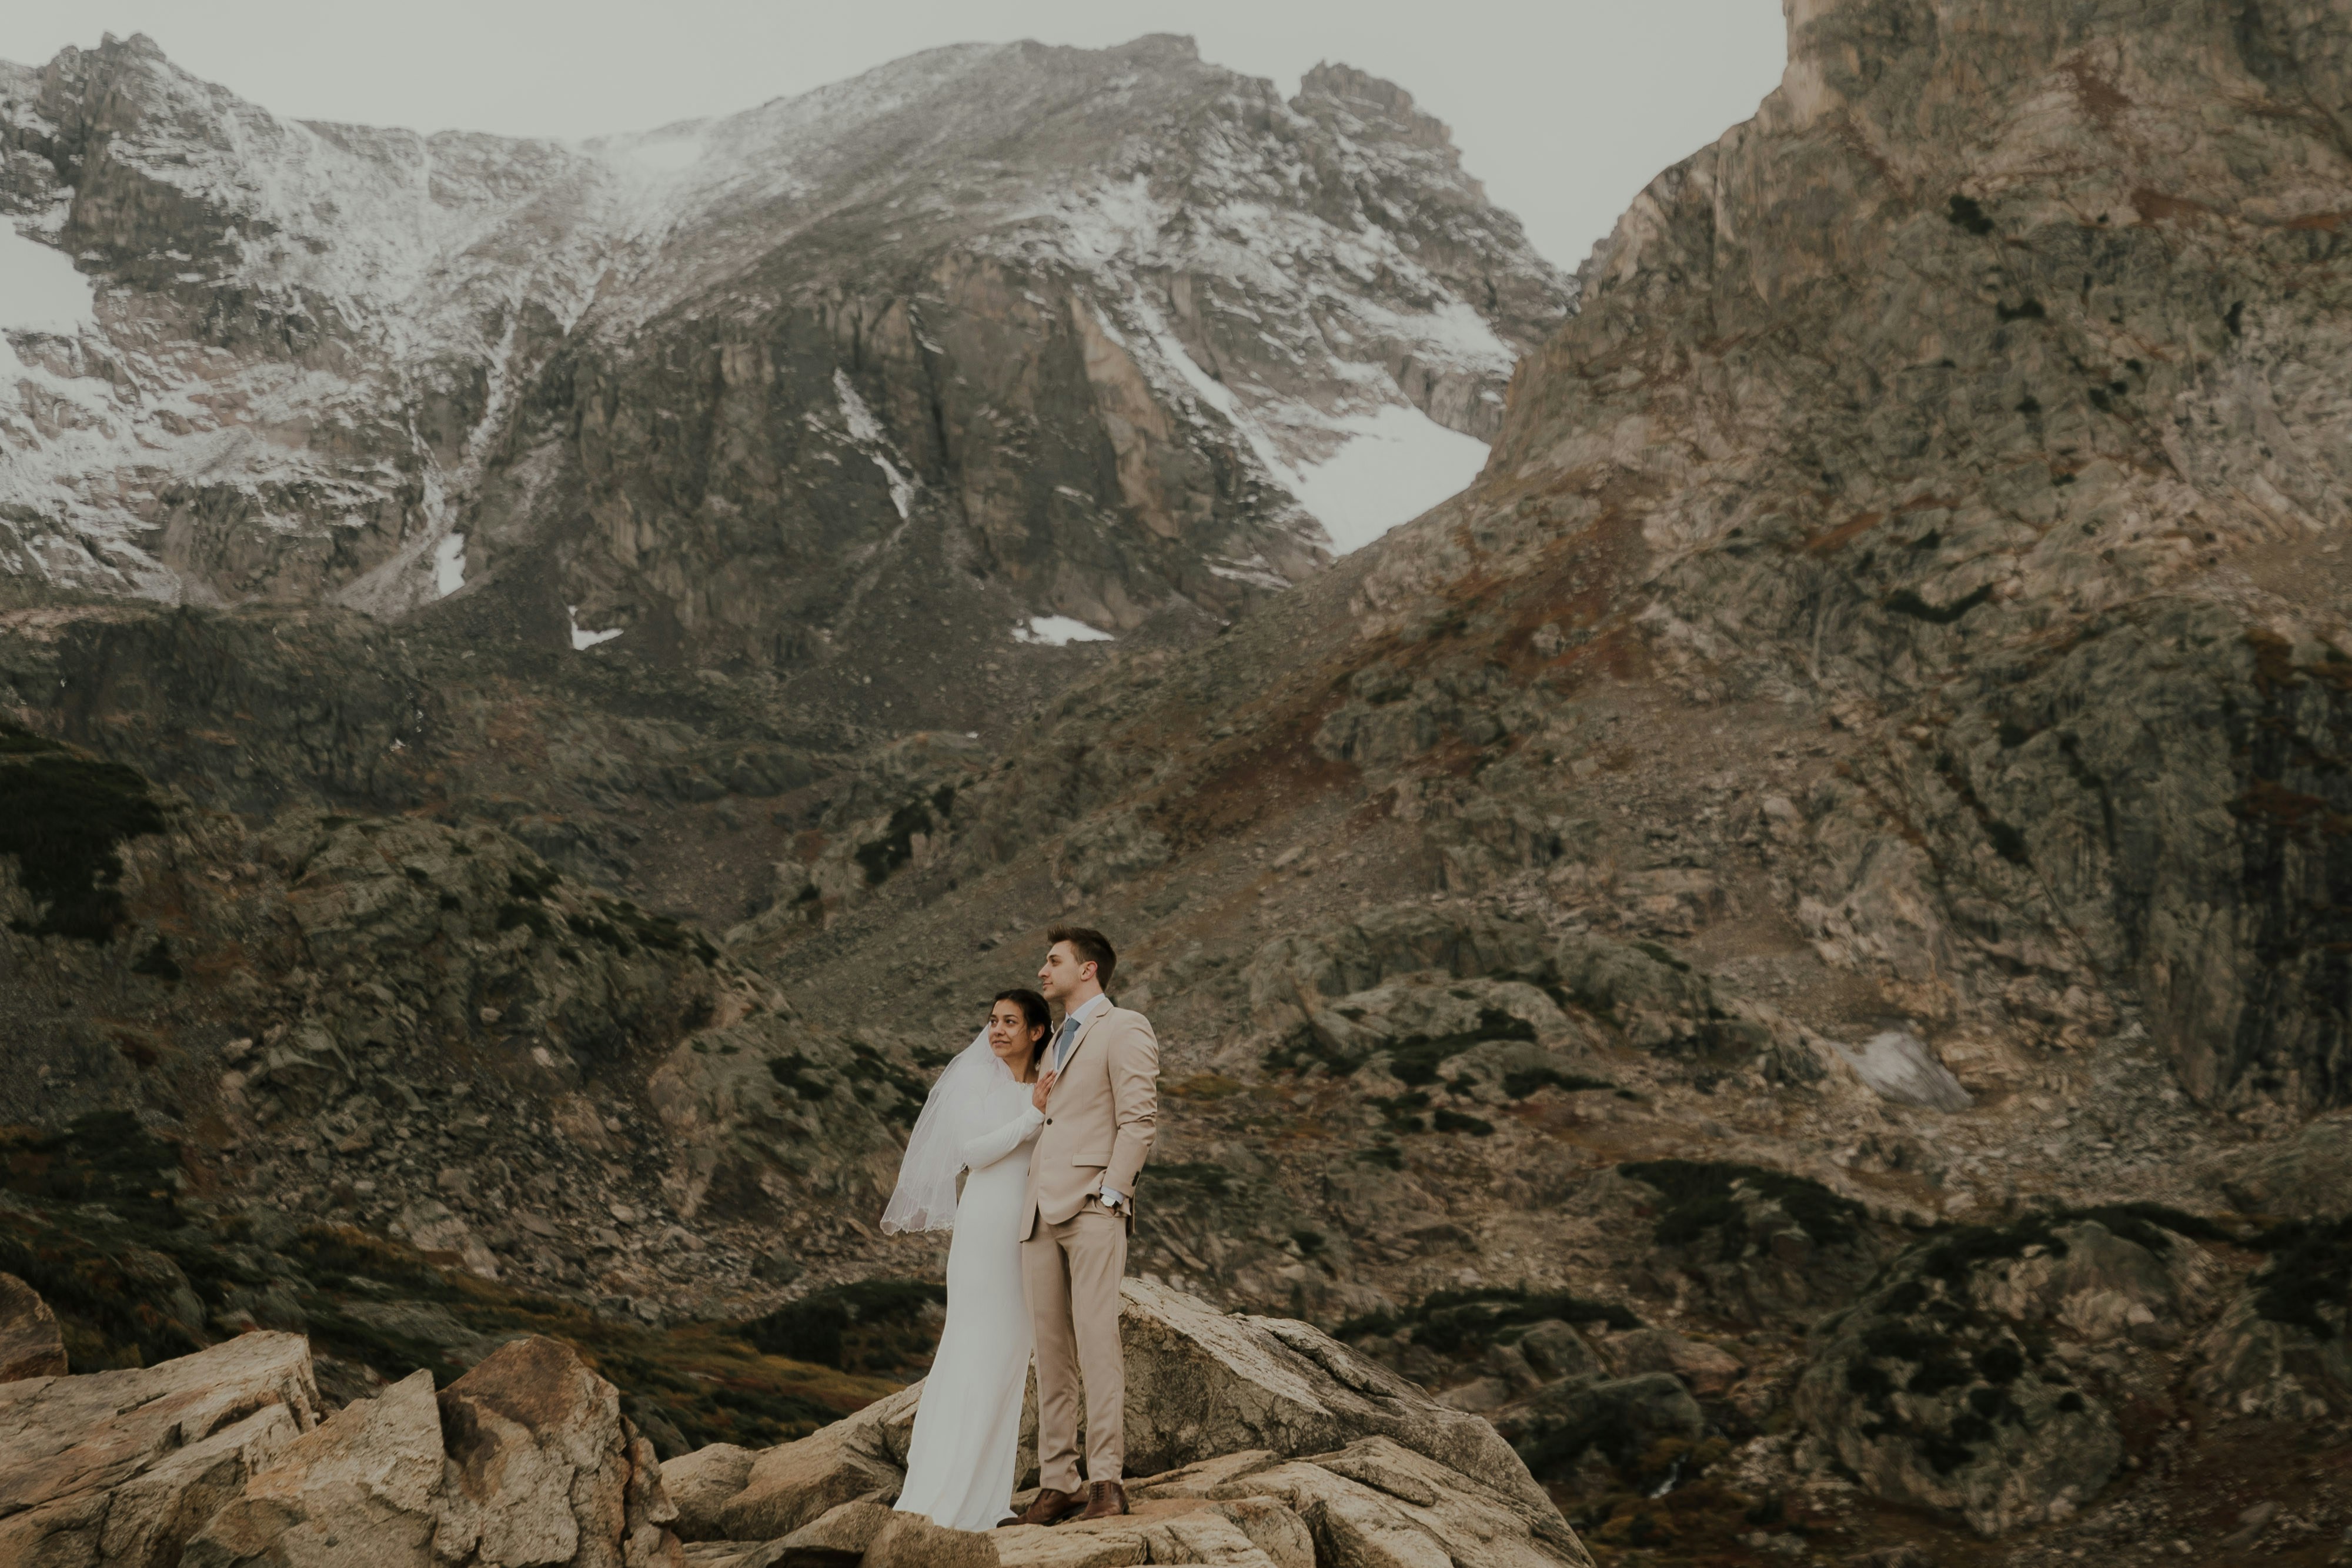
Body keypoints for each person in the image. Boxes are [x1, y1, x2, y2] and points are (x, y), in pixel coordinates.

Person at [882, 989, 1053, 1532]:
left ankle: (988, 1498)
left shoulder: (1046, 1082)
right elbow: (974, 1152)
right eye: (993, 1020)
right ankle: (942, 1492)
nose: (997, 1030)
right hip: (985, 1229)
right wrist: (1033, 1117)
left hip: (1029, 1229)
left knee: (1008, 1358)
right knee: (972, 1349)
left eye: (1010, 1021)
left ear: (1037, 1031)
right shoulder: (976, 1083)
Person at [1014, 925, 1160, 1524]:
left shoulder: (1123, 1027)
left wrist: (1110, 1192)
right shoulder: (1052, 1043)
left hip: (1092, 1209)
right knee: (1050, 1354)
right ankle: (1058, 1483)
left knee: (1098, 1344)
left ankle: (1105, 1482)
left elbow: (1139, 1118)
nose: (1043, 972)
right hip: (1039, 1214)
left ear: (1089, 969)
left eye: (1053, 962)